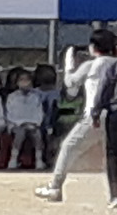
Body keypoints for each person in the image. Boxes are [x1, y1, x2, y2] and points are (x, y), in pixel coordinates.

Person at [36, 30, 117, 201]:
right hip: (113, 115)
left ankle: (55, 187)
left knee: (68, 146)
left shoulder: (92, 64)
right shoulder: (114, 63)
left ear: (94, 47)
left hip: (94, 115)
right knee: (112, 155)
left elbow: (70, 84)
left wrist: (68, 66)